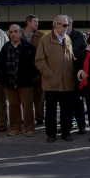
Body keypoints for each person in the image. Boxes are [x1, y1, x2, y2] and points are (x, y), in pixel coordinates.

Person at [35, 15, 77, 143]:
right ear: (56, 25)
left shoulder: (67, 38)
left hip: (67, 81)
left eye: (68, 25)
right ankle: (51, 134)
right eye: (64, 25)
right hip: (52, 82)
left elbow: (71, 58)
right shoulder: (45, 39)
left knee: (67, 110)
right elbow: (39, 60)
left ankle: (66, 132)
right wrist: (49, 74)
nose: (67, 27)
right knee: (51, 110)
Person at [0, 24, 39, 137]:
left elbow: (36, 64)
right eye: (11, 32)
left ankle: (29, 128)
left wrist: (30, 76)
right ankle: (15, 128)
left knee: (27, 105)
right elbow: (0, 65)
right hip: (9, 82)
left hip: (25, 83)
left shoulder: (29, 47)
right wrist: (3, 79)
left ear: (21, 33)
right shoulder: (5, 47)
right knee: (13, 105)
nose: (13, 34)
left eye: (15, 31)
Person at [66, 17, 88, 134]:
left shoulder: (79, 35)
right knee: (65, 102)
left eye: (66, 25)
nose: (65, 28)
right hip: (63, 74)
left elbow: (85, 54)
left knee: (78, 101)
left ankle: (81, 125)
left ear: (71, 25)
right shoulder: (58, 37)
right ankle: (67, 125)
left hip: (76, 73)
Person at [23, 14, 46, 125]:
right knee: (26, 97)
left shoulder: (41, 35)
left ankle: (39, 116)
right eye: (35, 21)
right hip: (23, 71)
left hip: (38, 70)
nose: (37, 23)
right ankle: (27, 117)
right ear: (28, 22)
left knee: (39, 96)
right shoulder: (19, 34)